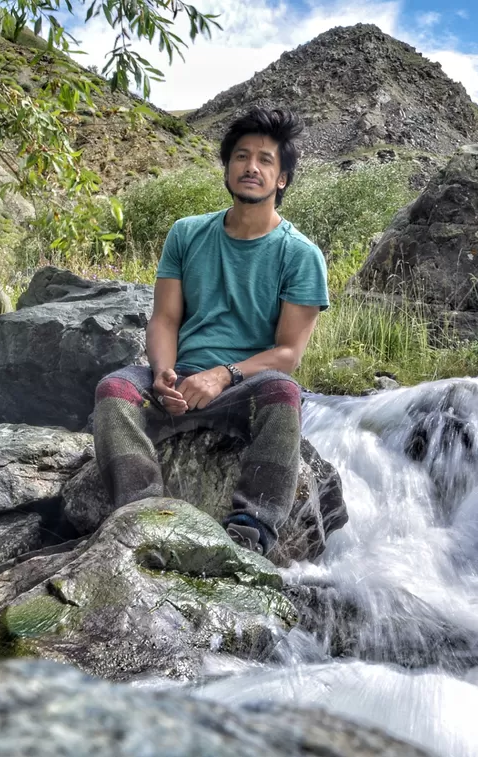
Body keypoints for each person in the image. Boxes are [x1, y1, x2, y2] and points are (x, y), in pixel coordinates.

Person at [92, 107, 328, 556]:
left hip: (247, 387)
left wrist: (223, 375)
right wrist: (162, 372)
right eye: (241, 156)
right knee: (115, 389)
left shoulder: (301, 255)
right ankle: (144, 515)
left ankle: (250, 533)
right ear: (227, 167)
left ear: (281, 179)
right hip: (179, 378)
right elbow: (164, 319)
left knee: (284, 391)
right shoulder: (186, 234)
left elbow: (287, 353)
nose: (251, 167)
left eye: (264, 160)